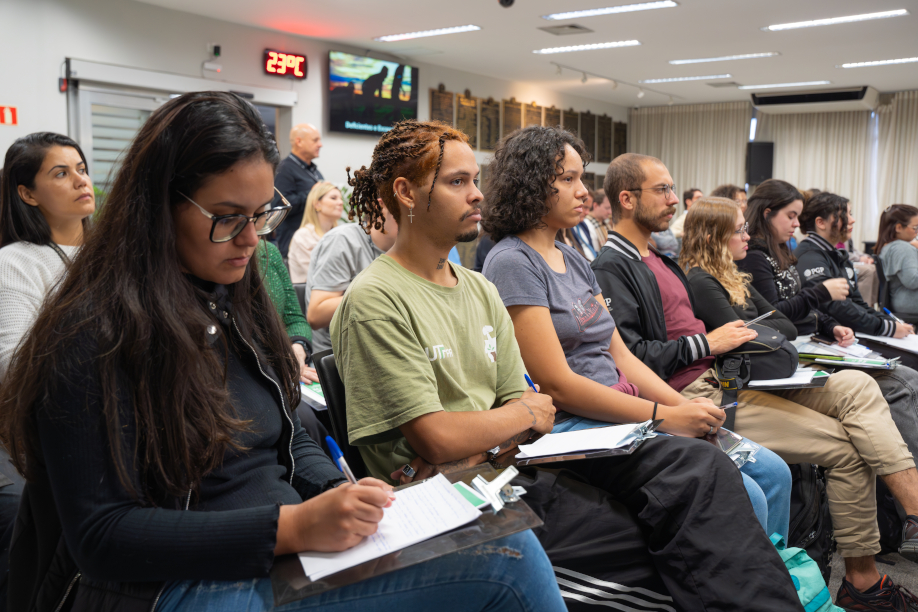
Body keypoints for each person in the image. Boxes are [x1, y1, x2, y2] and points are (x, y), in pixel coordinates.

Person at [0, 93, 562, 612]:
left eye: (261, 214)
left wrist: (341, 495)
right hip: (171, 583)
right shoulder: (93, 331)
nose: (251, 239)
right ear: (158, 208)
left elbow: (289, 431)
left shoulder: (232, 294)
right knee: (507, 559)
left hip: (278, 549)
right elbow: (102, 536)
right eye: (227, 218)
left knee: (498, 532)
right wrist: (291, 528)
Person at [332, 120, 806, 611]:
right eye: (458, 182)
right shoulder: (378, 298)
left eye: (474, 179)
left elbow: (532, 408)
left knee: (700, 484)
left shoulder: (477, 287)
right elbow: (442, 438)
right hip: (454, 497)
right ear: (405, 193)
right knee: (683, 543)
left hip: (508, 468)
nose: (476, 194)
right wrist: (511, 423)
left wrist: (502, 427)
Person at [593, 153, 918, 610]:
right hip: (703, 388)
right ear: (627, 199)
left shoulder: (661, 261)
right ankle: (853, 581)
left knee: (861, 386)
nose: (674, 199)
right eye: (663, 190)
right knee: (847, 447)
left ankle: (909, 518)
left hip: (725, 375)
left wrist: (717, 343)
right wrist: (708, 345)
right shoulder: (617, 266)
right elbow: (631, 359)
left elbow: (776, 324)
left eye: (672, 188)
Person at [480, 126, 792, 541]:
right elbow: (557, 385)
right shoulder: (512, 262)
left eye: (581, 178)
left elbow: (622, 356)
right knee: (743, 493)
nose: (584, 192)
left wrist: (685, 408)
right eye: (568, 179)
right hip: (577, 421)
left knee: (773, 472)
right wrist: (666, 416)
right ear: (530, 185)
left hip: (624, 406)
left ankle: (777, 574)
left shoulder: (573, 258)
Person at [0, 132, 95, 609]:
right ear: (27, 193)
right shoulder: (16, 263)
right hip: (47, 428)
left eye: (81, 168)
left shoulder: (117, 254)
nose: (80, 180)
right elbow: (12, 365)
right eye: (61, 173)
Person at [735, 179, 851, 340]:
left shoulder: (779, 247)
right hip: (782, 341)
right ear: (767, 214)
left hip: (800, 338)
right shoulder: (753, 256)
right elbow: (772, 315)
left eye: (797, 217)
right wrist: (819, 293)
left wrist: (829, 325)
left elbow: (796, 300)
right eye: (791, 216)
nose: (796, 224)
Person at [795, 192, 911, 339]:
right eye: (845, 215)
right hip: (821, 335)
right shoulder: (810, 257)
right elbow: (833, 307)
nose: (852, 220)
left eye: (851, 214)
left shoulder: (836, 254)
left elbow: (857, 303)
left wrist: (891, 323)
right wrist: (885, 328)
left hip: (842, 333)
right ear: (821, 223)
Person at [305, 206, 397, 354]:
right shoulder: (342, 240)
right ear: (380, 208)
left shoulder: (408, 249)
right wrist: (382, 294)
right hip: (341, 353)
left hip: (385, 345)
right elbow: (316, 315)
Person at [273, 123, 323, 258]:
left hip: (314, 244)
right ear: (299, 142)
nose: (320, 145)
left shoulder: (314, 171)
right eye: (315, 140)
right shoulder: (284, 169)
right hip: (294, 248)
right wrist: (311, 194)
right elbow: (280, 206)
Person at [287, 181, 343, 283]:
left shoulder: (340, 235)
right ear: (317, 204)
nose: (341, 202)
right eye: (333, 198)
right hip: (312, 291)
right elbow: (321, 275)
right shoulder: (303, 236)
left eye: (341, 199)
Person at [876, 204, 918, 322]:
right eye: (915, 227)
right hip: (909, 302)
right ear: (899, 227)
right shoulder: (902, 248)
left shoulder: (889, 246)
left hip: (901, 300)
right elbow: (912, 281)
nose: (917, 231)